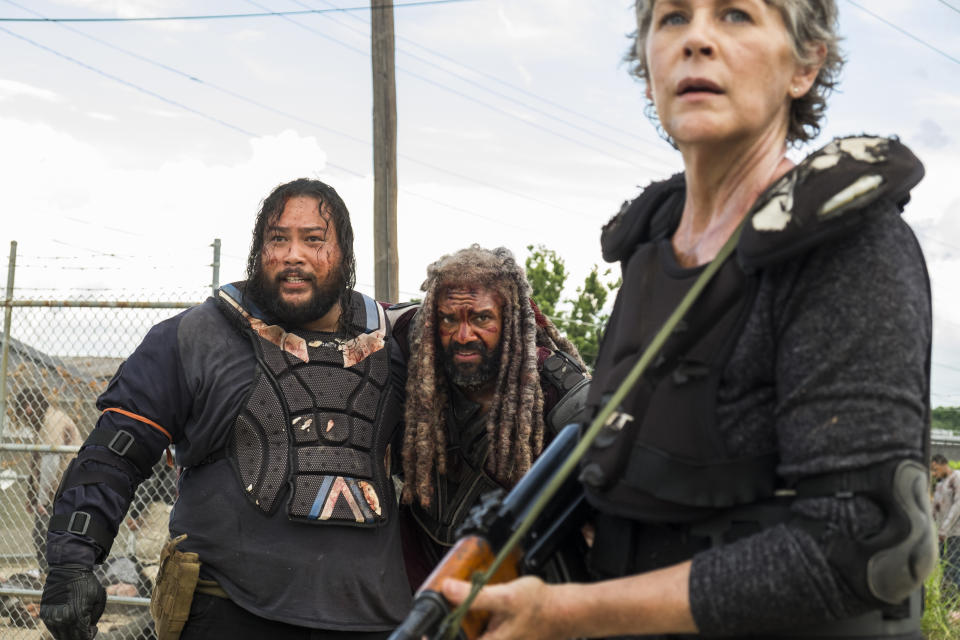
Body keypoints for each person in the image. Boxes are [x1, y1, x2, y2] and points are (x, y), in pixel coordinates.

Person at [442, 1, 936, 639]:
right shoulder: (647, 250)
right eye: (672, 18)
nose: (698, 39)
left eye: (736, 15)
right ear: (647, 71)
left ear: (805, 64)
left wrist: (568, 615)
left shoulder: (847, 245)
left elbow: (868, 542)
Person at [39, 178, 412, 640]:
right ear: (259, 251)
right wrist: (73, 560)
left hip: (373, 617)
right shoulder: (197, 336)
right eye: (278, 239)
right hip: (228, 610)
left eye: (313, 239)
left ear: (344, 252)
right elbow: (116, 451)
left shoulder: (398, 343)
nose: (293, 254)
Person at [394, 246, 590, 583]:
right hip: (420, 581)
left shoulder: (561, 394)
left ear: (510, 318)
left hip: (518, 589)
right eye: (449, 319)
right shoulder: (417, 348)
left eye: (481, 318)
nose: (464, 335)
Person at [17, 387, 82, 572]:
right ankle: (52, 577)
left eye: (25, 411)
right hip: (63, 490)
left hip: (62, 491)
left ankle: (51, 578)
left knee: (44, 536)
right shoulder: (47, 420)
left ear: (31, 407)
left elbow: (50, 463)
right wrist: (32, 494)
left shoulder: (51, 422)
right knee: (49, 537)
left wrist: (42, 500)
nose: (25, 417)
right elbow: (38, 461)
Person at [932, 454, 960, 593]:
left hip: (955, 532)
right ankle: (948, 596)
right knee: (944, 565)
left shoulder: (957, 478)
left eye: (935, 469)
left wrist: (945, 528)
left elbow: (958, 505)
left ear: (943, 464)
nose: (933, 473)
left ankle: (954, 598)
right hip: (941, 534)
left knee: (953, 565)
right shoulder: (940, 483)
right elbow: (935, 507)